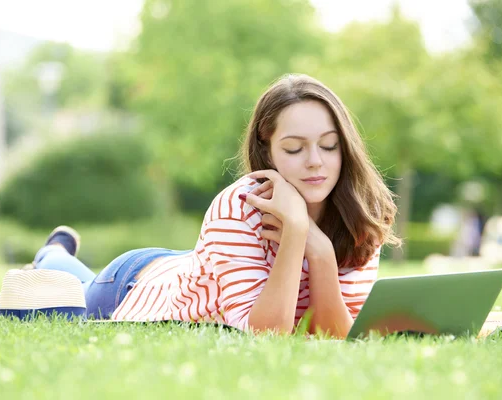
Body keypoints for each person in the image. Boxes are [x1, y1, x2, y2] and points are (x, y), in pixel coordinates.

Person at [29, 74, 400, 338]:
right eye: (294, 148)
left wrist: (319, 252)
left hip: (201, 267)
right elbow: (268, 334)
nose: (315, 161)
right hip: (133, 284)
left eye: (329, 145)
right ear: (266, 150)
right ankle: (53, 252)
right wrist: (296, 233)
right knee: (70, 286)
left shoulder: (361, 214)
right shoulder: (238, 207)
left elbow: (338, 334)